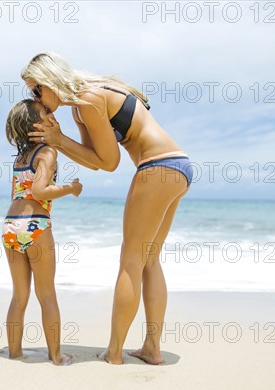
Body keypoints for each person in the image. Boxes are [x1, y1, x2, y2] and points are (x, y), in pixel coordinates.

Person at [21, 52, 194, 365]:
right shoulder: (86, 100)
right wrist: (60, 139)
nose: (37, 100)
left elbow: (111, 162)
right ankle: (151, 349)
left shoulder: (87, 99)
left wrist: (58, 140)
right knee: (149, 259)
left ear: (51, 80)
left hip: (156, 167)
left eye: (37, 90)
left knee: (131, 260)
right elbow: (98, 161)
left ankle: (114, 353)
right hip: (178, 166)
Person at [1, 99, 83, 366]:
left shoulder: (21, 158)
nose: (51, 112)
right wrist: (70, 188)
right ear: (36, 125)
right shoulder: (47, 153)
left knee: (19, 295)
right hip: (36, 224)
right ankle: (56, 356)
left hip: (11, 226)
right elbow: (39, 192)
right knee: (46, 294)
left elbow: (19, 193)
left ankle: (14, 353)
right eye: (45, 112)